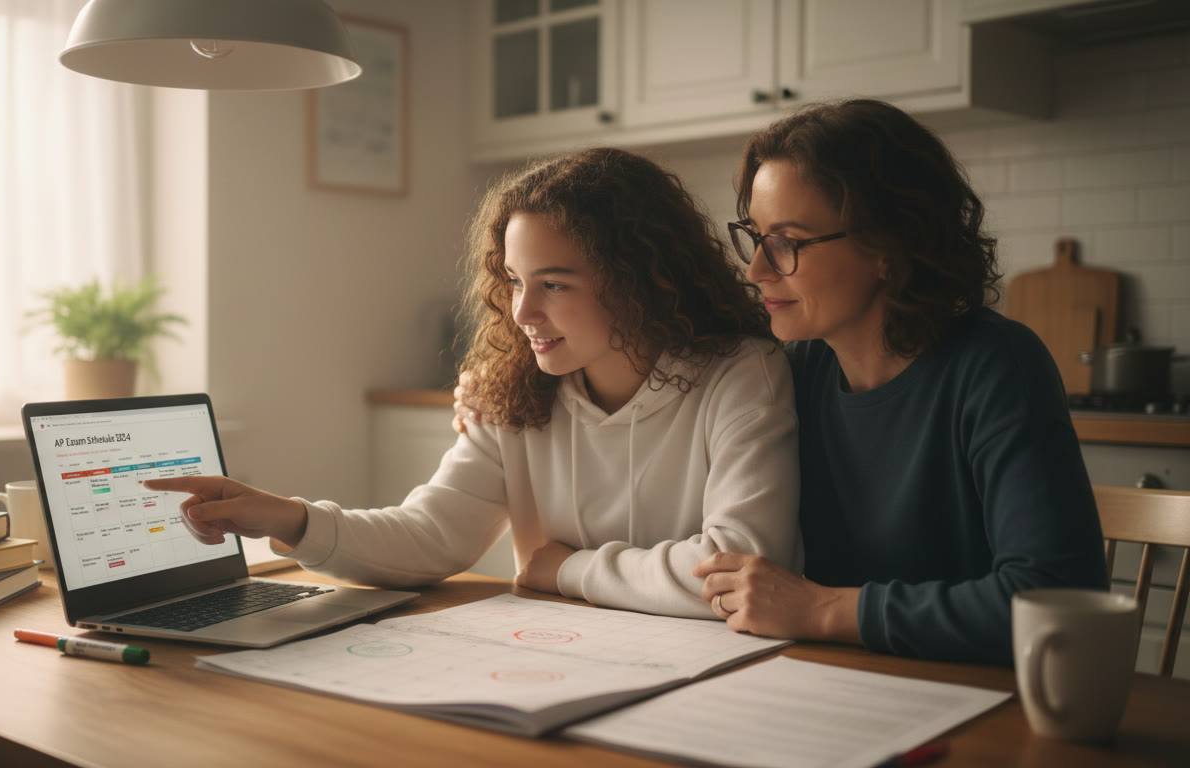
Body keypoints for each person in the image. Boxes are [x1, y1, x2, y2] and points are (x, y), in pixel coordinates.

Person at [457, 101, 1109, 664]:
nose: (759, 269)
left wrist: (826, 610)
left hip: (975, 701)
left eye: (789, 242)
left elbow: (1055, 599)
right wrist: (493, 384)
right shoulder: (791, 370)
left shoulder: (995, 366)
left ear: (889, 246)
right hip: (820, 681)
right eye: (756, 238)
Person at [146, 147, 802, 619]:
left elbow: (738, 570)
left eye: (554, 284)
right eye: (515, 282)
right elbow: (430, 535)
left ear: (640, 280)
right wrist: (284, 517)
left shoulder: (740, 374)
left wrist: (566, 569)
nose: (522, 312)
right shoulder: (517, 392)